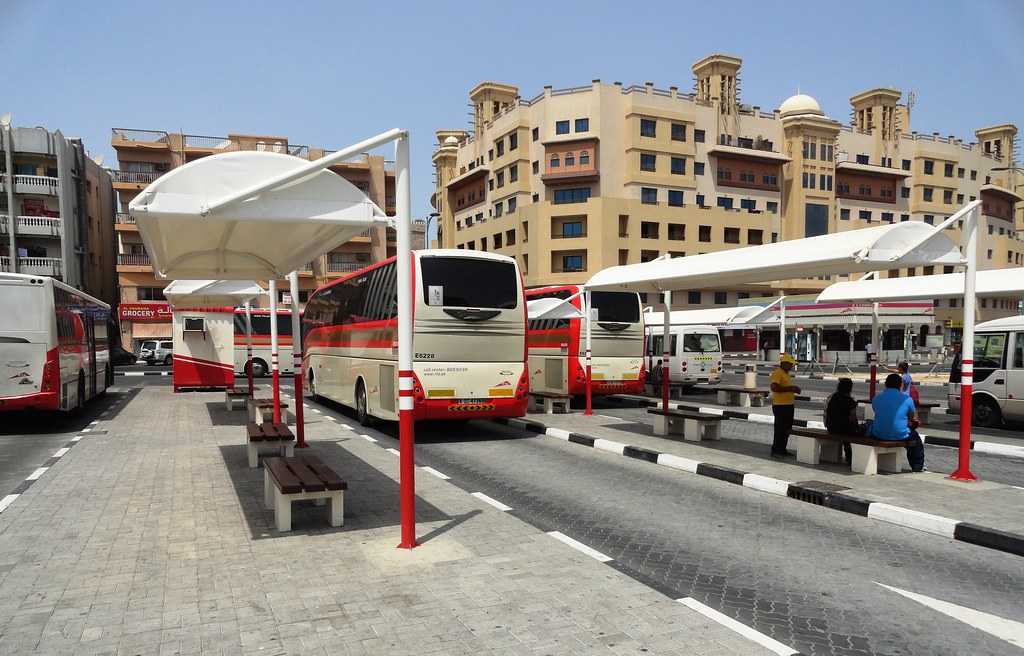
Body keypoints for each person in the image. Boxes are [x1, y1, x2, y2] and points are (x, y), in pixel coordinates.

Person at [869, 373, 925, 472]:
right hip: (900, 434)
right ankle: (917, 466)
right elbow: (913, 418)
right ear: (901, 385)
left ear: (886, 384)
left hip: (878, 433)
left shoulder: (876, 398)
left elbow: (876, 411)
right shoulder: (907, 399)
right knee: (915, 440)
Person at [769, 353, 800, 457]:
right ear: (784, 363)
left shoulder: (786, 373)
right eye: (790, 364)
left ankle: (782, 449)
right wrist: (790, 388)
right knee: (780, 429)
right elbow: (774, 387)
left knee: (787, 429)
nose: (792, 366)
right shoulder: (778, 373)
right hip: (780, 406)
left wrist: (793, 389)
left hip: (788, 405)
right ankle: (776, 450)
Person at [824, 377, 858, 464]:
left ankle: (849, 457)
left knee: (846, 431)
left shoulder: (833, 397)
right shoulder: (850, 401)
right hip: (843, 430)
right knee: (852, 433)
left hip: (831, 427)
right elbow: (853, 418)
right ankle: (850, 458)